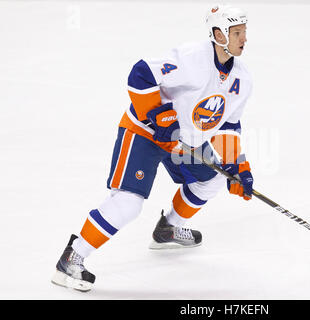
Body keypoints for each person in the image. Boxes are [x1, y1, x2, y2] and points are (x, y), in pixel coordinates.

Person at [51, 4, 254, 292]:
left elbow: (229, 126)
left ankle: (167, 229)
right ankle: (72, 258)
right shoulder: (192, 58)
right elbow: (141, 74)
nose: (243, 38)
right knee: (128, 203)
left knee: (215, 178)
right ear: (218, 34)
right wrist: (158, 113)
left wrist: (239, 166)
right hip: (145, 132)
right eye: (236, 32)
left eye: (244, 32)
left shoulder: (242, 80)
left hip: (183, 141)